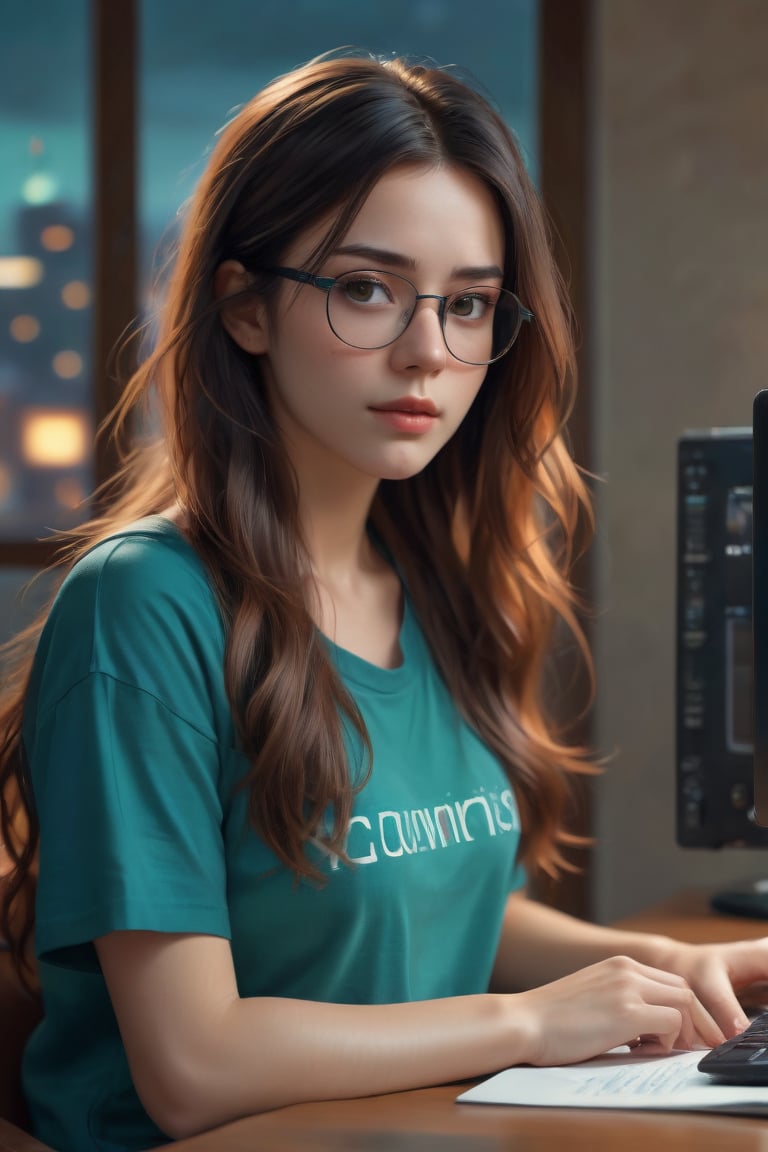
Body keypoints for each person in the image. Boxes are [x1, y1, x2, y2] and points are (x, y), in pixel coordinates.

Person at [0, 48, 767, 1152]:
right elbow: (192, 1064)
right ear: (245, 306)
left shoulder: (440, 588)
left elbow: (449, 908)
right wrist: (526, 1024)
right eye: (366, 288)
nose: (427, 353)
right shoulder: (143, 608)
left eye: (468, 306)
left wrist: (661, 968)